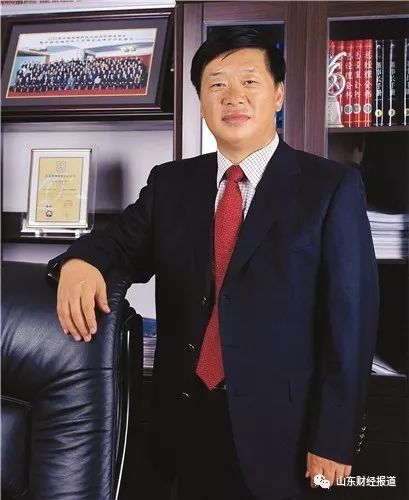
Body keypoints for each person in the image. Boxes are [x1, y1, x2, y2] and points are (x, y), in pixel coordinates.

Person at [48, 28, 379, 500]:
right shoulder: (171, 184)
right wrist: (79, 261)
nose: (233, 96)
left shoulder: (330, 187)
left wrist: (334, 437)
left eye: (250, 81)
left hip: (285, 435)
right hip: (182, 423)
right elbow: (118, 246)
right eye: (217, 84)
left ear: (278, 94)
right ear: (202, 102)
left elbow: (352, 324)